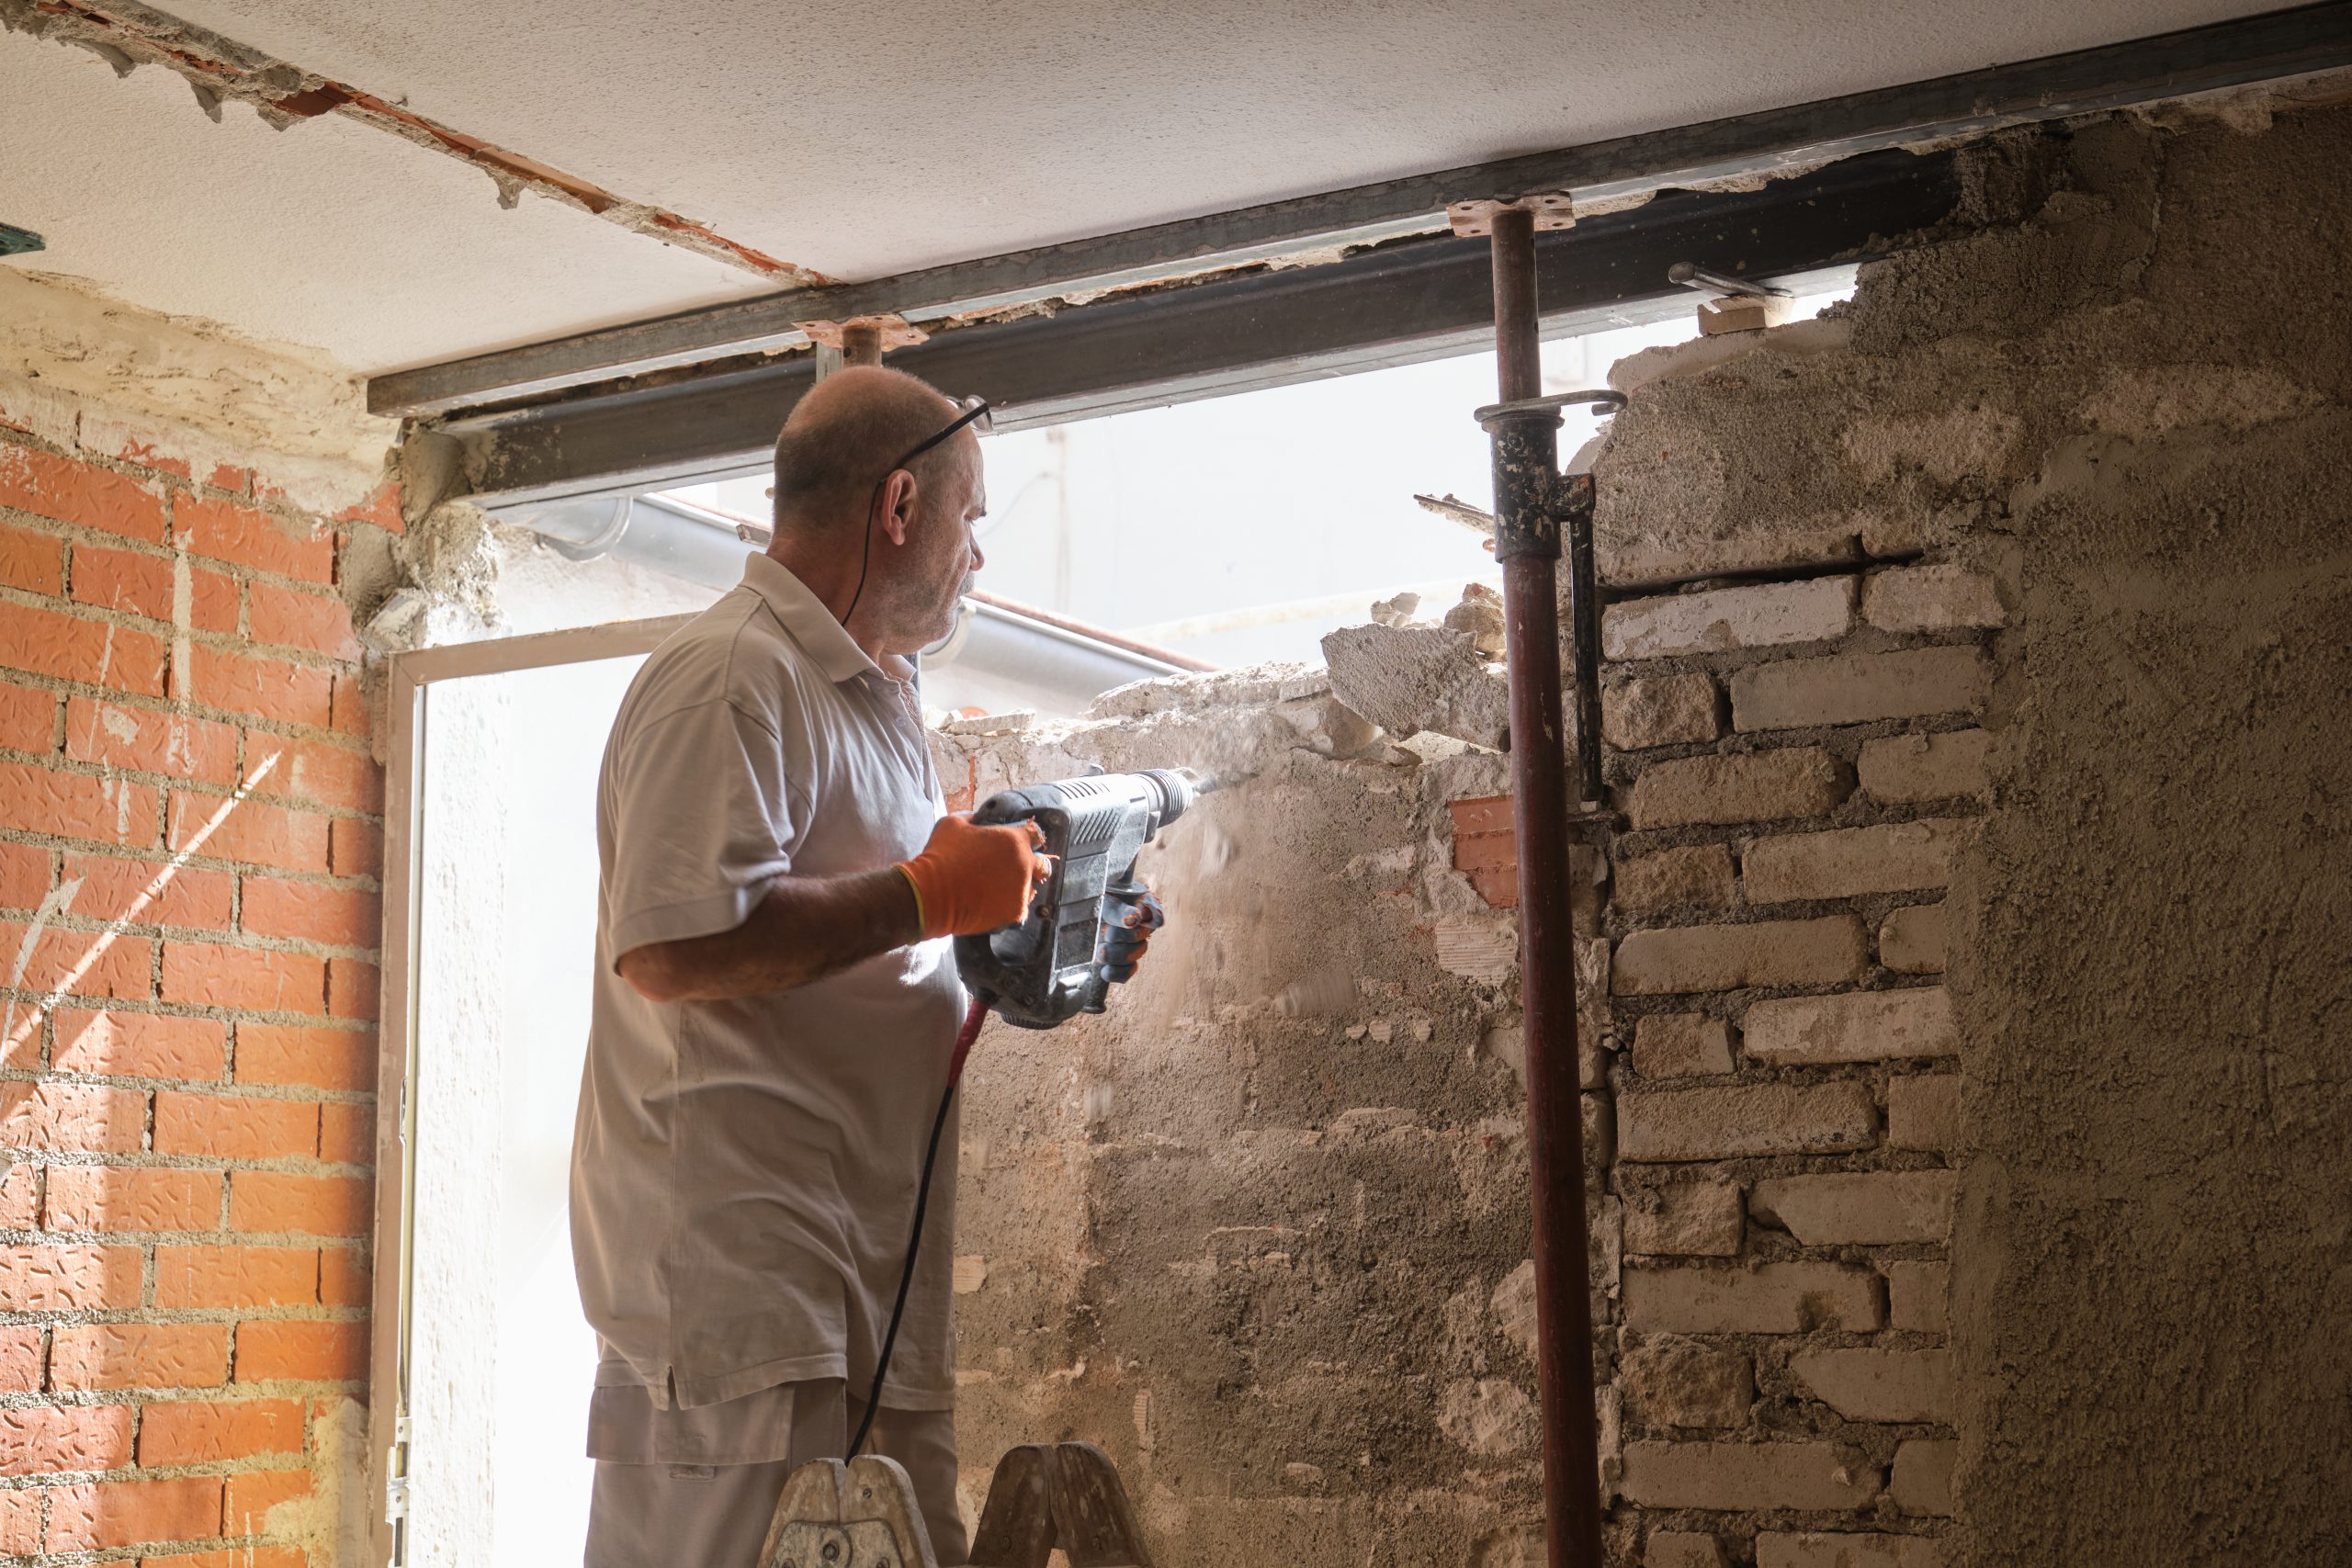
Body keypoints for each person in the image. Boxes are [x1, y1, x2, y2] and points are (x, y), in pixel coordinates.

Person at [569, 367, 1159, 1566]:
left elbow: (864, 945)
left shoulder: (869, 694)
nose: (979, 555)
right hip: (744, 1290)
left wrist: (1043, 944)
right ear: (897, 508)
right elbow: (676, 946)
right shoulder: (734, 678)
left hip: (863, 1281)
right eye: (970, 518)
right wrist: (927, 893)